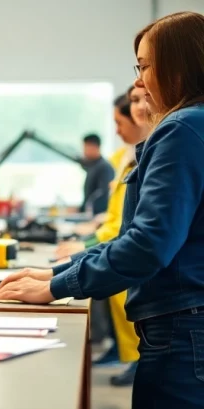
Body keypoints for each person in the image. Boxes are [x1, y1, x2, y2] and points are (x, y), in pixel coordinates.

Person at [0, 11, 204, 408]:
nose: (138, 82)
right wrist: (56, 271)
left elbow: (147, 244)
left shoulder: (182, 129)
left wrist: (55, 288)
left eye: (144, 67)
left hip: (182, 329)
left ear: (178, 65)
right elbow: (133, 237)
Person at [57, 90, 150, 382]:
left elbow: (131, 227)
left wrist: (76, 255)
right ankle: (124, 353)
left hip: (121, 249)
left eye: (118, 122)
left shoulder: (150, 157)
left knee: (127, 314)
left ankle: (133, 358)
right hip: (112, 243)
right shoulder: (124, 157)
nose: (117, 129)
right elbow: (114, 214)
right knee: (114, 313)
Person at [79, 133, 114, 215]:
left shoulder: (104, 167)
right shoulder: (92, 166)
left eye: (85, 148)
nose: (84, 152)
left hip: (98, 216)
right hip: (90, 214)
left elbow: (103, 193)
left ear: (94, 147)